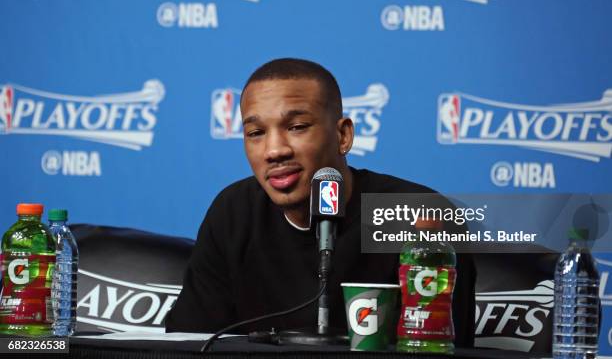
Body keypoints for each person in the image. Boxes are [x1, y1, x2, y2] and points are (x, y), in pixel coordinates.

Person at [165, 58, 476, 347]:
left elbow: (442, 350)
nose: (274, 151)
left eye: (297, 127)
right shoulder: (232, 213)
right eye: (256, 132)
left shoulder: (421, 217)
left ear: (343, 136)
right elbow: (190, 344)